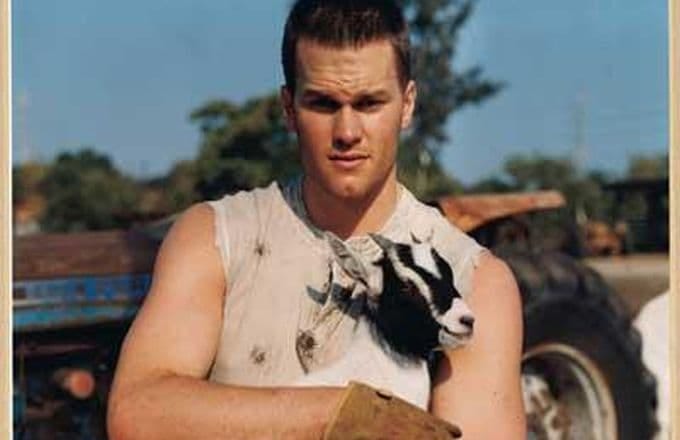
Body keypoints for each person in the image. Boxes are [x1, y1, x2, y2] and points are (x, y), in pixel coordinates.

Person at [107, 0, 526, 438]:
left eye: (369, 103)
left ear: (407, 105)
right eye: (323, 104)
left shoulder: (472, 279)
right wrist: (340, 412)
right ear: (289, 108)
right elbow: (138, 413)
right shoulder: (216, 237)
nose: (347, 132)